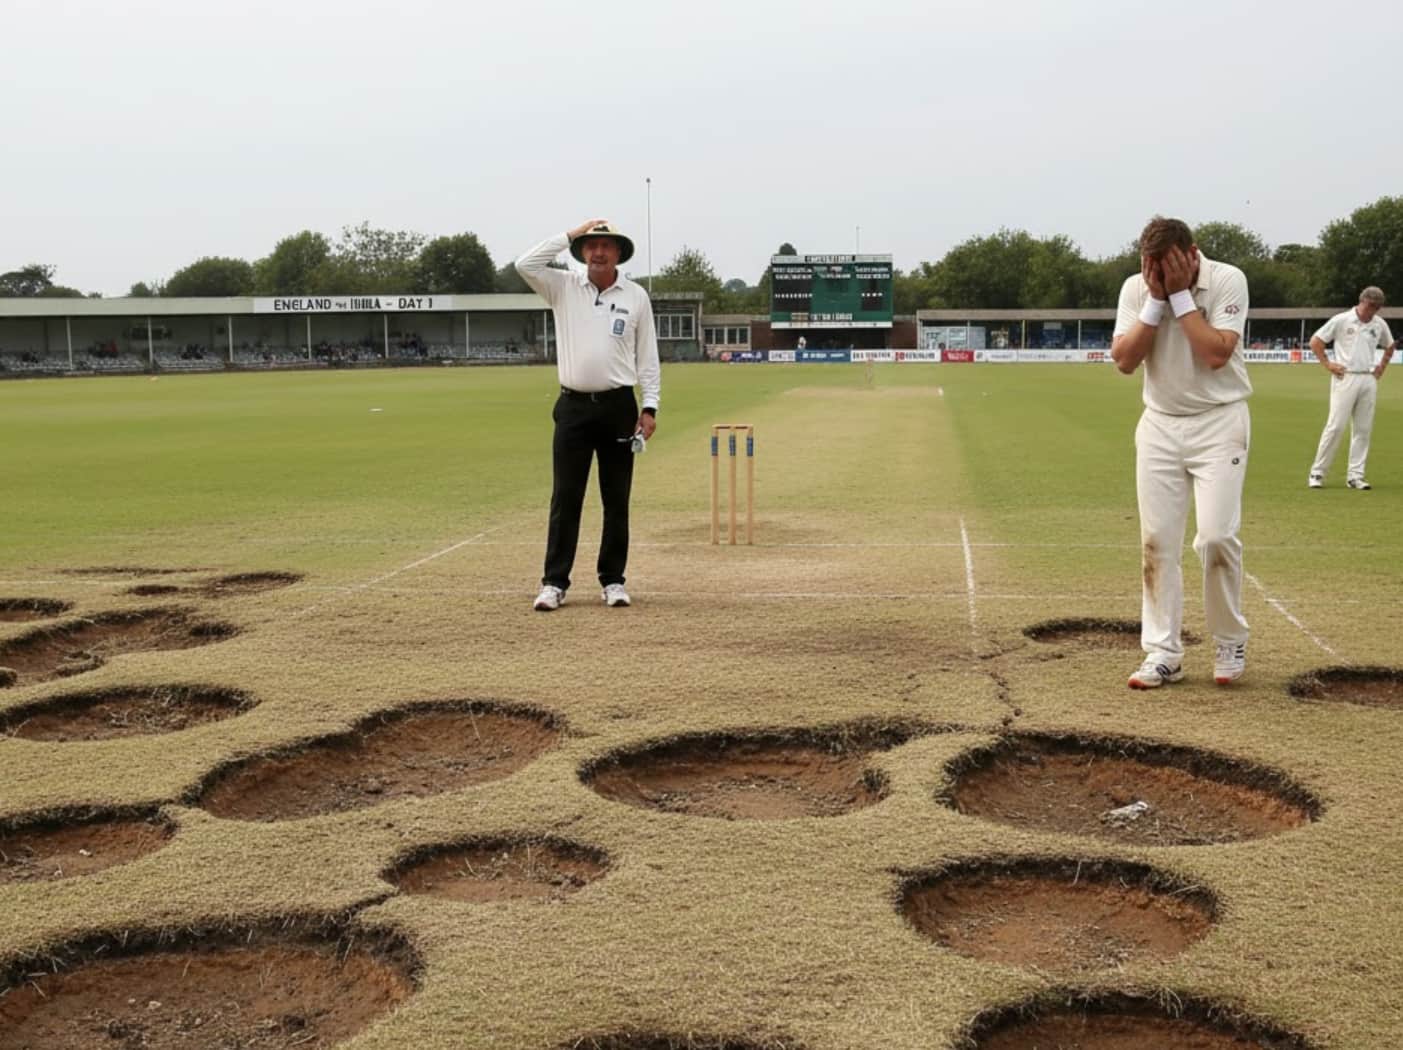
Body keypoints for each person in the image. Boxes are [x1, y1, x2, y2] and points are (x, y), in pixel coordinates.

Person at [1111, 216, 1251, 689]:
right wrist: (1156, 298)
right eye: (1151, 267)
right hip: (1159, 426)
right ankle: (1163, 653)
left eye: (1169, 266)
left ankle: (1229, 639)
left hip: (1219, 422)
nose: (1159, 274)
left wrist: (1181, 296)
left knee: (1215, 537)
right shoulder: (1138, 288)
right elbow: (1126, 361)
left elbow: (1216, 354)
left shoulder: (1227, 279)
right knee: (1158, 543)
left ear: (1192, 254)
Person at [515, 219, 660, 611]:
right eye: (591, 245)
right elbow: (525, 264)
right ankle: (554, 583)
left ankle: (613, 580)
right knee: (566, 496)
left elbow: (647, 358)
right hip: (573, 407)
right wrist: (570, 233)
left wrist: (649, 406)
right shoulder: (562, 286)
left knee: (616, 499)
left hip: (618, 407)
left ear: (618, 253)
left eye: (606, 246)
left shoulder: (635, 296)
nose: (598, 252)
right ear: (581, 251)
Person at [1306, 286, 1394, 490]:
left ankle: (1356, 476)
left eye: (1377, 307)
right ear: (1362, 300)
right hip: (1345, 376)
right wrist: (1328, 364)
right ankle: (1317, 473)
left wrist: (1381, 366)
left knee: (1363, 429)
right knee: (1335, 426)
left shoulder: (1379, 324)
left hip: (1368, 378)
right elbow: (1316, 341)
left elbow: (1389, 346)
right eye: (1371, 306)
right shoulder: (1341, 319)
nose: (1373, 311)